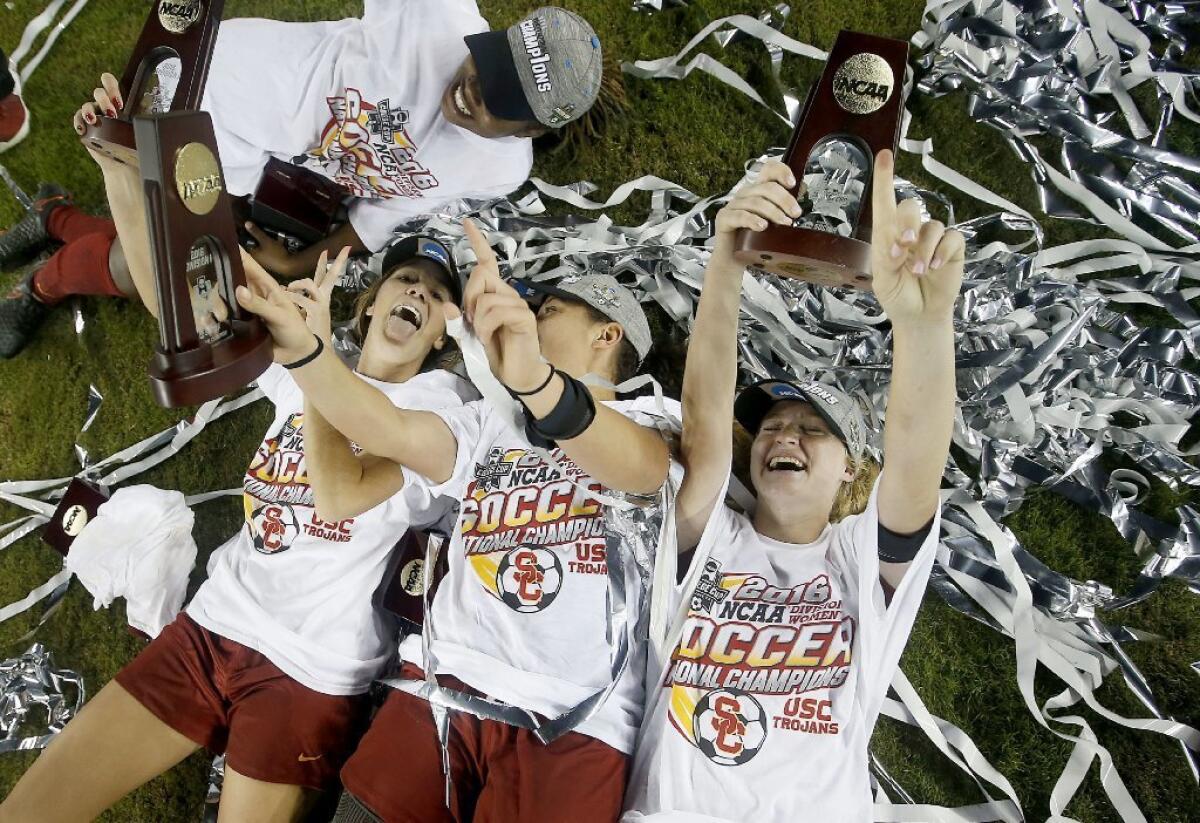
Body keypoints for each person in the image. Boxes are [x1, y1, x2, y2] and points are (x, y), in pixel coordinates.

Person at [0, 117, 477, 819]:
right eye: (406, 278)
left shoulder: (440, 403)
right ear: (371, 300)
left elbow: (339, 495)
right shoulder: (302, 364)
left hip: (308, 671)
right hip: (209, 626)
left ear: (443, 335)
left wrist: (313, 357)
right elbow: (176, 303)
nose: (419, 294)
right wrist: (122, 174)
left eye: (436, 297)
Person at [235, 220, 680, 822]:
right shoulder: (489, 423)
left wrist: (536, 383)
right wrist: (306, 350)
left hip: (578, 721)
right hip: (439, 689)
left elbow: (640, 472)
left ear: (606, 333)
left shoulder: (657, 421)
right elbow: (388, 431)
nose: (524, 320)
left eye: (546, 310)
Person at [622, 151, 963, 822]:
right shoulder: (708, 533)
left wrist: (922, 328)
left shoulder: (857, 559)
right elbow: (705, 416)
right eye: (774, 426)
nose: (784, 436)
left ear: (851, 469)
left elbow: (916, 465)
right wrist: (727, 257)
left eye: (813, 429)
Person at [0, 1, 604, 358]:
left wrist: (297, 264)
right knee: (164, 273)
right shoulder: (436, 11)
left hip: (274, 175)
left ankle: (54, 218)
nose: (471, 85)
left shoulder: (500, 169)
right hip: (213, 96)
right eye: (487, 59)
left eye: (497, 96)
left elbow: (385, 217)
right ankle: (45, 283)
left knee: (184, 265)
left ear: (526, 132)